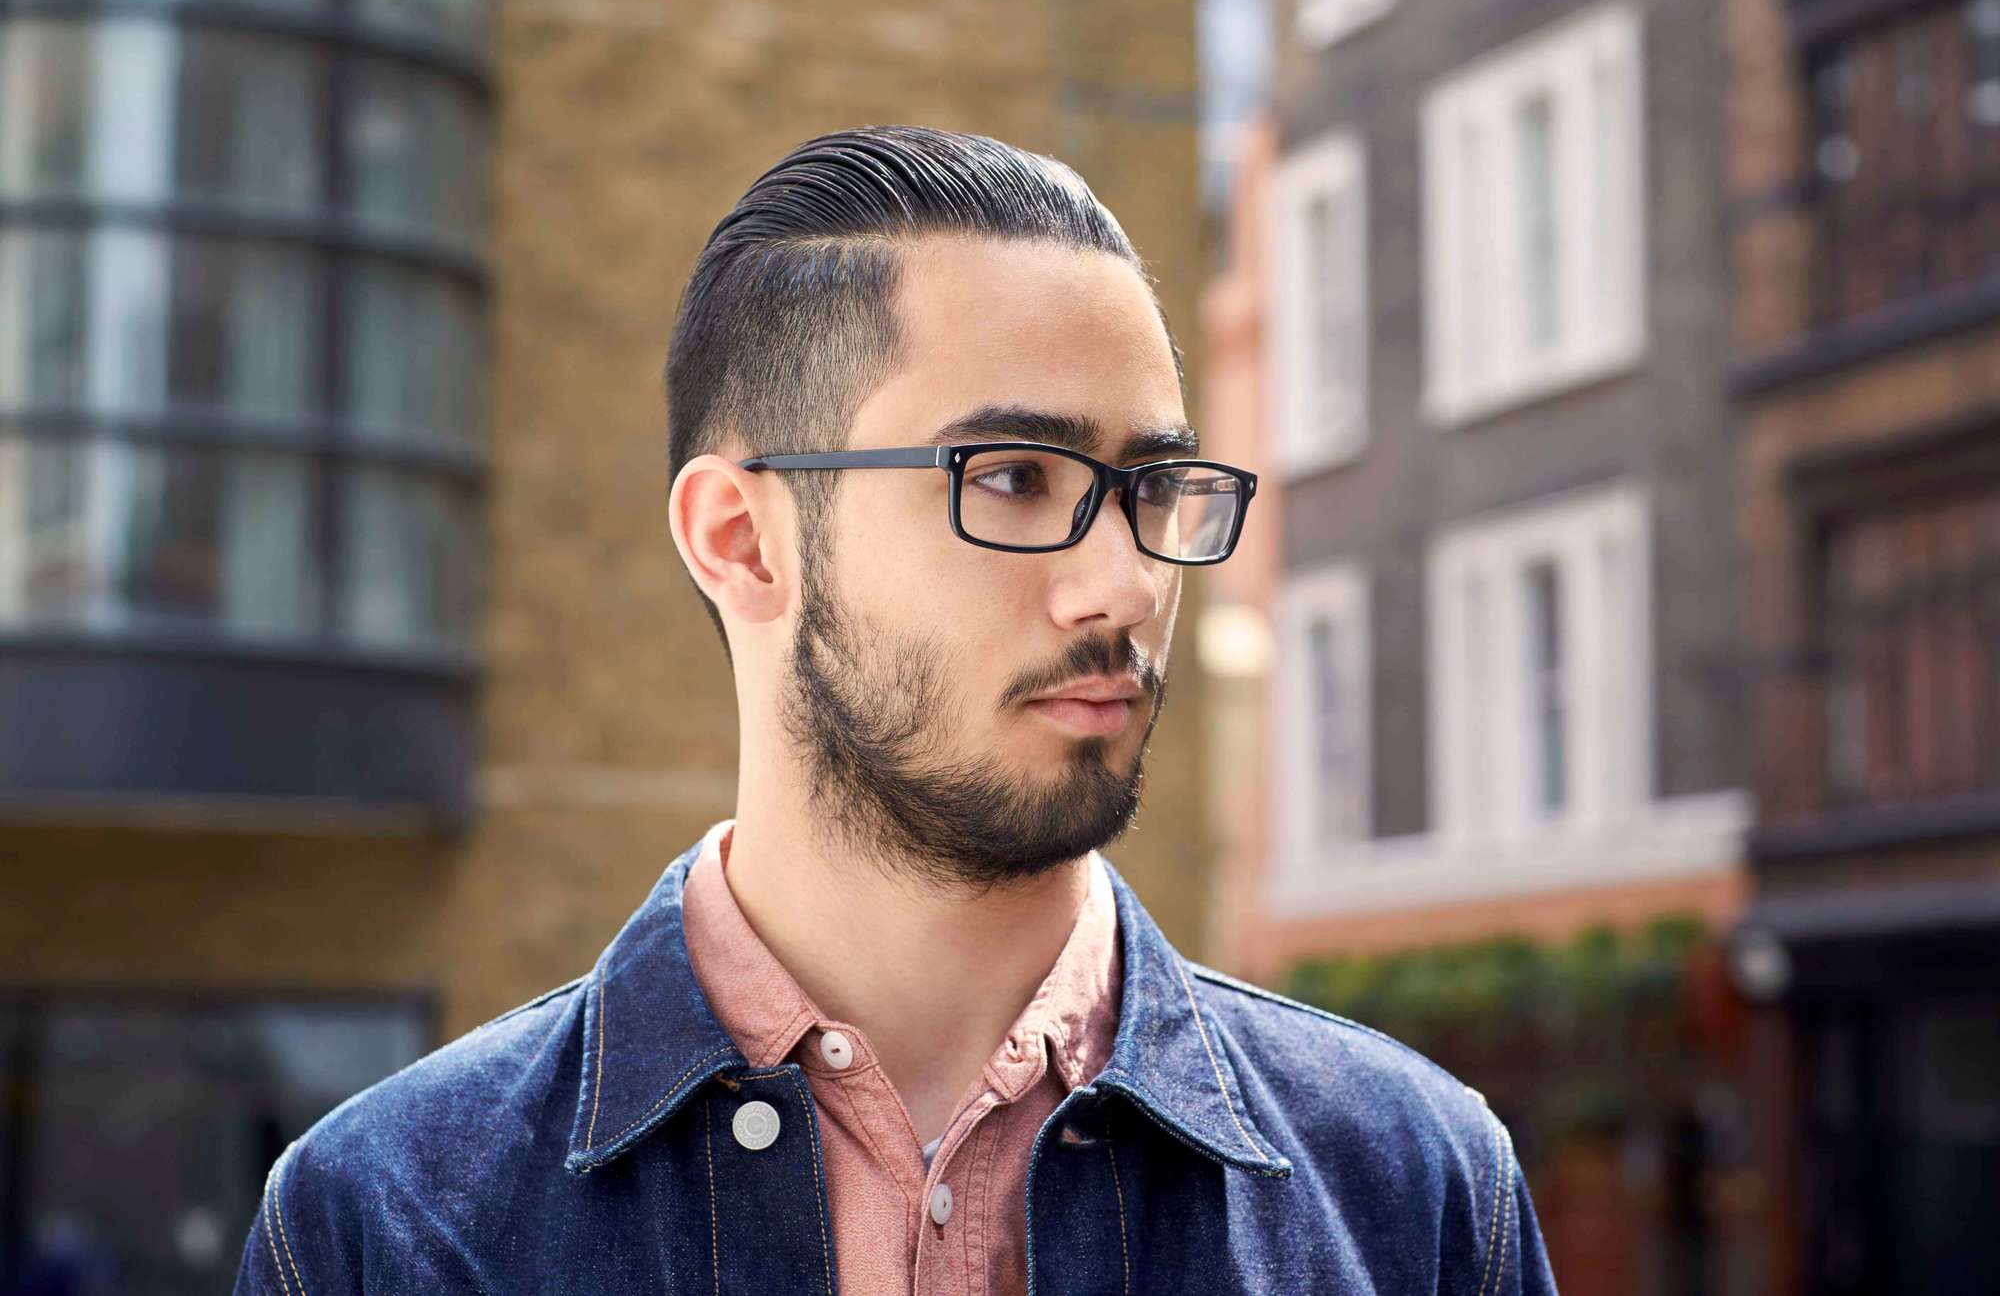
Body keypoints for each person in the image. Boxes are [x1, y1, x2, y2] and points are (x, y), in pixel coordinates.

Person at [232, 125, 1557, 1295]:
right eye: (1017, 479)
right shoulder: (384, 1226)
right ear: (744, 540)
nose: (1125, 583)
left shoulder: (1414, 1194)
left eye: (1152, 486)